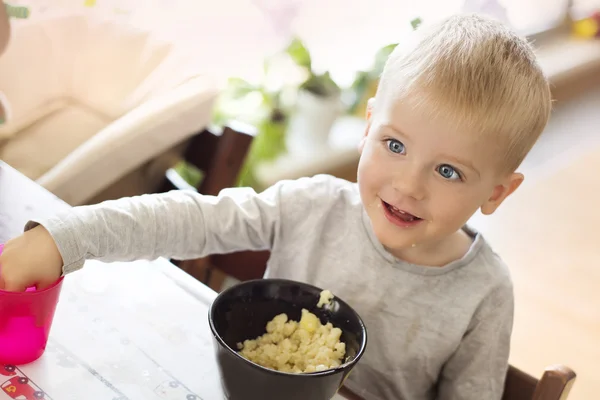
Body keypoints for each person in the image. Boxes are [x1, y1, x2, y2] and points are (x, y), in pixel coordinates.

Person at [0, 13, 551, 400]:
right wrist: (64, 238)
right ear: (367, 126)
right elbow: (186, 219)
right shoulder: (311, 205)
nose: (409, 186)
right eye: (396, 145)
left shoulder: (484, 293)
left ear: (497, 193)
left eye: (448, 171)